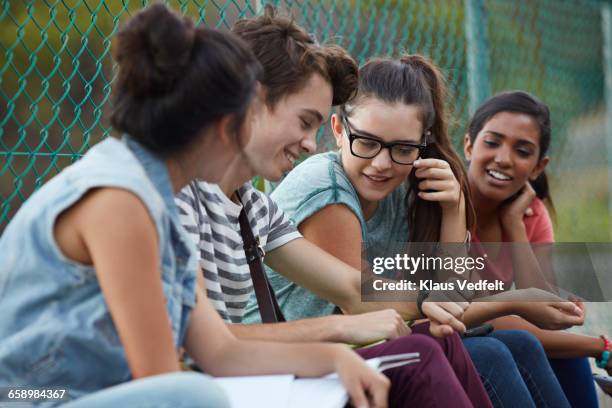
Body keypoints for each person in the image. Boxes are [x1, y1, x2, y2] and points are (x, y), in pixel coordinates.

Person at [0, 5, 390, 408]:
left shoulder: (168, 197)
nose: (309, 142)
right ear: (227, 126)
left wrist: (333, 356)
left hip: (88, 394)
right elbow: (163, 381)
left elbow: (220, 351)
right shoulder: (121, 197)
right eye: (253, 116)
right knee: (194, 394)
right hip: (27, 397)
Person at [176, 8, 492, 408]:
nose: (311, 143)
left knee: (433, 343)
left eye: (402, 148)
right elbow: (206, 347)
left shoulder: (252, 207)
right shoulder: (180, 195)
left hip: (254, 376)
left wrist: (428, 289)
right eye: (305, 121)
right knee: (422, 354)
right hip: (215, 386)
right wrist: (338, 334)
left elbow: (350, 287)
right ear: (250, 102)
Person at [251, 55, 583, 407]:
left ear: (420, 145)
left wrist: (453, 209)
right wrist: (516, 301)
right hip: (298, 362)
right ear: (337, 129)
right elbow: (364, 303)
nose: (381, 163)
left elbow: (451, 296)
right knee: (485, 355)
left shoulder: (404, 187)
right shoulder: (328, 189)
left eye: (402, 148)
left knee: (521, 345)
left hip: (360, 347)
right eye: (365, 141)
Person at [464, 90, 610, 407]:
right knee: (530, 345)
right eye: (492, 142)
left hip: (491, 328)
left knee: (564, 354)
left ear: (538, 166)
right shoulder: (447, 207)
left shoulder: (530, 212)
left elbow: (541, 309)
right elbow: (475, 317)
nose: (503, 158)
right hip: (459, 330)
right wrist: (601, 347)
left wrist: (514, 224)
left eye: (522, 150)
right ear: (468, 145)